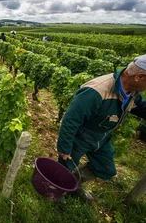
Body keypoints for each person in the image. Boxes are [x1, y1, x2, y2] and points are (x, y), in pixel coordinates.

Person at [57, 54, 146, 202]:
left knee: (106, 169)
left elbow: (141, 107)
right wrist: (64, 147)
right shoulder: (96, 91)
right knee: (64, 167)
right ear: (140, 77)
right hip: (81, 137)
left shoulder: (132, 91)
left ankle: (73, 183)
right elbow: (71, 120)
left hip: (102, 137)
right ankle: (58, 191)